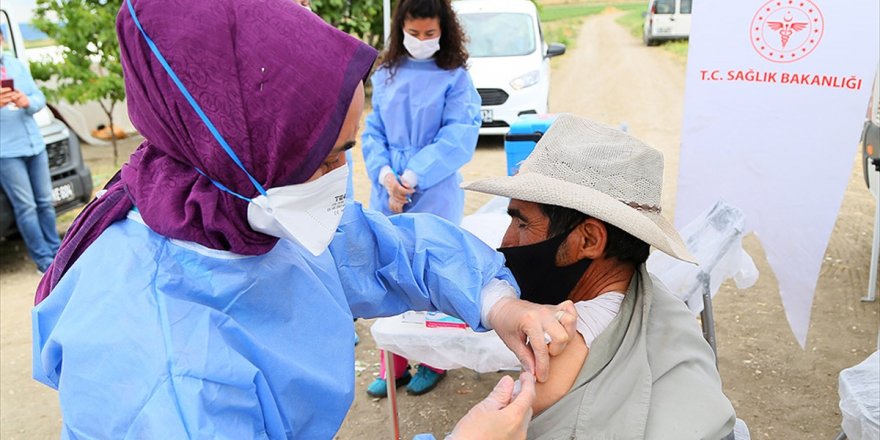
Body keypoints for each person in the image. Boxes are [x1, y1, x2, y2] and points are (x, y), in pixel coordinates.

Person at [31, 1, 578, 438]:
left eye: (347, 150)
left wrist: (497, 303)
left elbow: (385, 250)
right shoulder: (171, 383)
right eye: (324, 156)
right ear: (244, 151)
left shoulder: (247, 206)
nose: (340, 177)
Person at [462, 114, 738, 439]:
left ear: (590, 240)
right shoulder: (657, 302)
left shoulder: (567, 351)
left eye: (522, 224)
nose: (506, 243)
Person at [361, 0, 482, 398]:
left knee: (432, 273)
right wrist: (384, 174)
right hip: (388, 186)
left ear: (443, 31)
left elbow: (458, 135)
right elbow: (373, 130)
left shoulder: (454, 77)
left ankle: (433, 360)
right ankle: (393, 363)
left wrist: (413, 176)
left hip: (434, 187)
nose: (422, 41)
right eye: (414, 34)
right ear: (402, 30)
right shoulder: (388, 73)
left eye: (430, 34)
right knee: (390, 271)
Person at [0, 32, 60, 274]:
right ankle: (44, 261)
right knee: (26, 207)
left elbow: (39, 97)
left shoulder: (15, 65)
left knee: (46, 202)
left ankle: (58, 253)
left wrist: (27, 102)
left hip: (35, 144)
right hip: (7, 151)